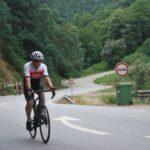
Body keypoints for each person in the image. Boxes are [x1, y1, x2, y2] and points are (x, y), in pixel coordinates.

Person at [23, 51, 55, 131]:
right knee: (30, 102)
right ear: (32, 60)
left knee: (43, 100)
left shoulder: (43, 66)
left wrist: (51, 87)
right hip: (28, 84)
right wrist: (29, 89)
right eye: (36, 60)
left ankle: (39, 114)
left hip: (37, 83)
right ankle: (29, 120)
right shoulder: (27, 66)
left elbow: (47, 78)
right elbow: (27, 79)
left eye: (40, 60)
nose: (38, 62)